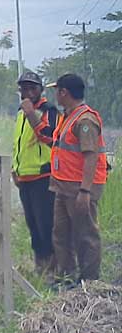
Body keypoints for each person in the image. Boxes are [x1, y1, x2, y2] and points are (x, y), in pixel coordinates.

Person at [48, 73, 107, 285]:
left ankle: (89, 283)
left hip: (79, 188)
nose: (55, 94)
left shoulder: (85, 120)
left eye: (57, 90)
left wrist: (85, 191)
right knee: (61, 234)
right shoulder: (68, 116)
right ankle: (67, 278)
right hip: (63, 187)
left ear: (64, 92)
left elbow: (91, 156)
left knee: (85, 235)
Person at [12, 70, 59, 274]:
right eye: (24, 88)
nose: (28, 92)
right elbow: (19, 144)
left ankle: (52, 268)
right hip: (25, 177)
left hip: (43, 176)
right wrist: (16, 169)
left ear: (40, 89)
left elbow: (49, 137)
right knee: (32, 224)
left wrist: (32, 113)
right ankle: (40, 264)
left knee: (45, 224)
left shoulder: (48, 110)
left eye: (32, 88)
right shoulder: (21, 113)